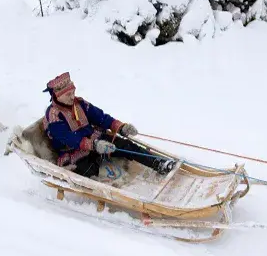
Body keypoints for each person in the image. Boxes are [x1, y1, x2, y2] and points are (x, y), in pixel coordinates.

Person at [42, 72, 177, 178]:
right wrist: (94, 145)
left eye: (73, 93)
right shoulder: (53, 115)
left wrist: (119, 126)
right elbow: (68, 138)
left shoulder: (79, 103)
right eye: (68, 95)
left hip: (95, 140)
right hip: (74, 152)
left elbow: (100, 117)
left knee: (125, 145)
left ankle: (158, 163)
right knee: (89, 171)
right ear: (57, 96)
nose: (72, 97)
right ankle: (100, 166)